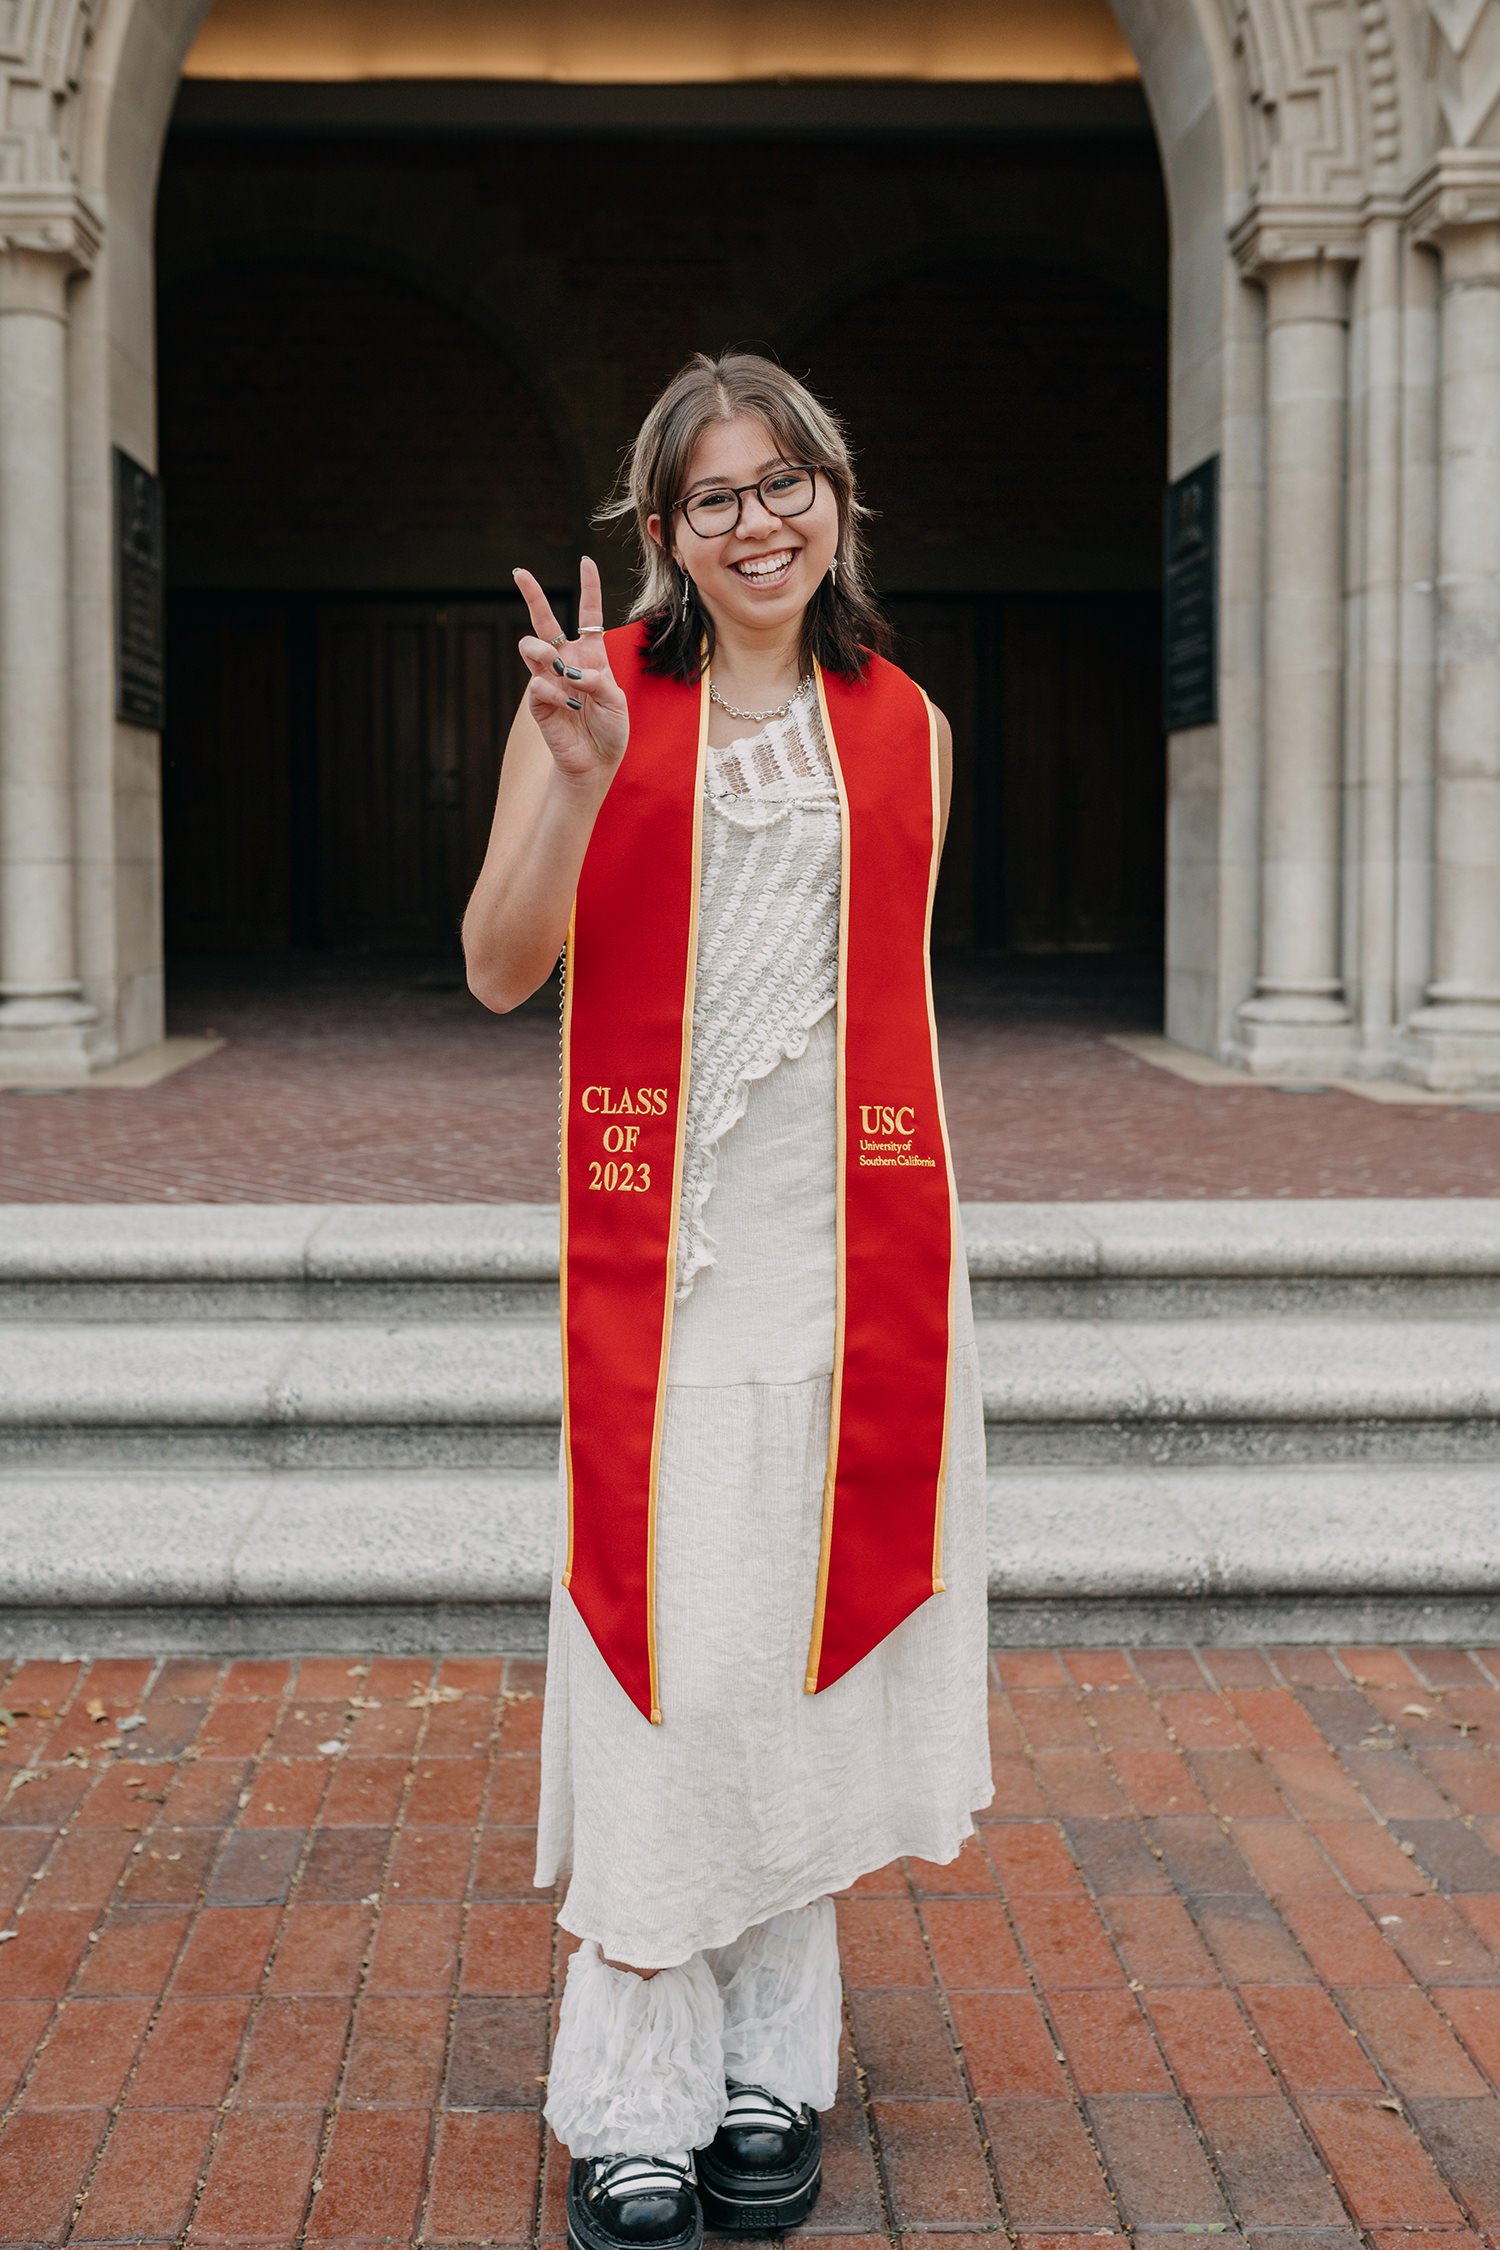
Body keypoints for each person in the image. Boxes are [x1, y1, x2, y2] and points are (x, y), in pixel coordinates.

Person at [462, 350, 992, 2250]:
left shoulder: (910, 725)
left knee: (794, 1660)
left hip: (847, 1266)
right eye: (715, 496)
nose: (758, 521)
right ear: (664, 528)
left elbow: (893, 1011)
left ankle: (772, 2056)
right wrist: (576, 783)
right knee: (666, 1663)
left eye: (788, 484)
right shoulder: (598, 704)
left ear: (836, 495)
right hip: (667, 1280)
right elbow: (502, 969)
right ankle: (633, 2089)